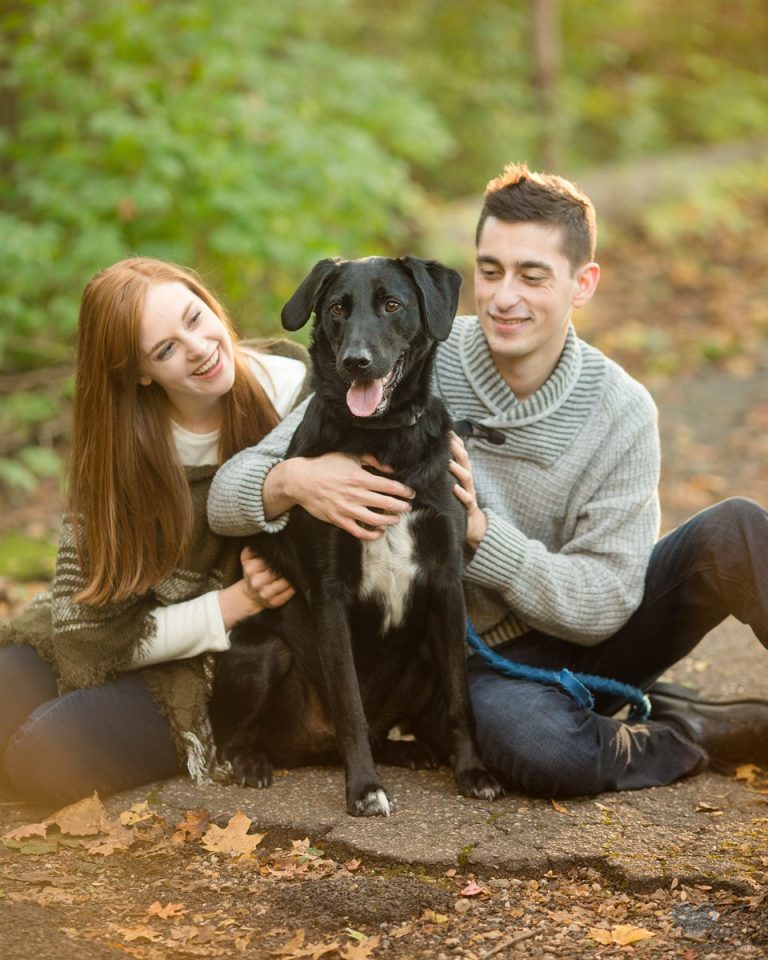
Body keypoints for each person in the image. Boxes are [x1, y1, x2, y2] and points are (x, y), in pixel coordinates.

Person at [207, 163, 768, 797]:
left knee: (738, 530)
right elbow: (230, 493)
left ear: (583, 283)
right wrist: (297, 482)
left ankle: (627, 702)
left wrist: (480, 535)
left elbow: (608, 603)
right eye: (491, 270)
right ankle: (684, 730)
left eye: (533, 275)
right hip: (474, 665)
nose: (504, 297)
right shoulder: (403, 357)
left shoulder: (622, 408)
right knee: (542, 748)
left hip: (591, 636)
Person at [0, 257, 308, 806]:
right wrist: (234, 602)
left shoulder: (294, 390)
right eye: (165, 349)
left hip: (234, 664)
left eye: (194, 318)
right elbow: (91, 636)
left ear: (209, 302)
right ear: (140, 373)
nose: (197, 347)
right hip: (126, 626)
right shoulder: (122, 450)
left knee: (42, 753)